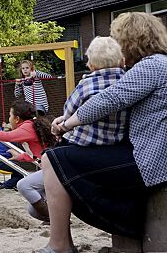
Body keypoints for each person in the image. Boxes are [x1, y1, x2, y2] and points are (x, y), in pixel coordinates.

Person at [32, 12, 167, 253]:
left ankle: (59, 245)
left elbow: (110, 99)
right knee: (59, 158)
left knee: (53, 158)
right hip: (146, 155)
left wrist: (67, 124)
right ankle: (63, 243)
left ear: (130, 41)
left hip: (150, 162)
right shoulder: (156, 65)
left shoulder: (152, 66)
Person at [16, 36, 127, 223]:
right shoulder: (128, 83)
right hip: (115, 152)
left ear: (91, 65)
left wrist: (62, 124)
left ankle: (59, 230)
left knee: (31, 182)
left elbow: (68, 114)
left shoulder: (86, 85)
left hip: (82, 155)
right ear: (122, 61)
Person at [0, 99, 56, 191]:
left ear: (17, 119)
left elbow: (7, 136)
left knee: (23, 185)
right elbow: (36, 155)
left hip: (53, 169)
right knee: (37, 192)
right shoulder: (32, 126)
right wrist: (20, 156)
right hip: (51, 167)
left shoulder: (27, 127)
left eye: (10, 115)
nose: (9, 119)